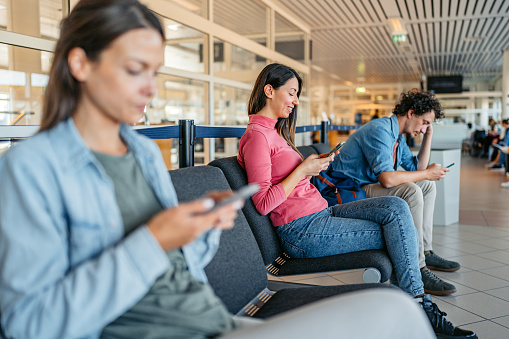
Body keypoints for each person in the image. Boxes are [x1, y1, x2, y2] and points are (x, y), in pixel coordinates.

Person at [0, 1, 438, 339]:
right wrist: (154, 241)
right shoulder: (30, 170)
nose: (151, 89)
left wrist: (200, 229)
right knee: (396, 312)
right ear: (80, 64)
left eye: (154, 71)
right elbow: (28, 324)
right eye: (136, 70)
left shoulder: (143, 152)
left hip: (214, 319)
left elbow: (181, 267)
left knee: (396, 310)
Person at [237, 63, 476, 339]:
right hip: (302, 231)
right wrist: (302, 170)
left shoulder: (273, 132)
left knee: (397, 207)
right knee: (397, 229)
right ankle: (420, 306)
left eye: (296, 94)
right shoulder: (256, 136)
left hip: (321, 214)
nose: (296, 101)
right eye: (291, 93)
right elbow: (263, 202)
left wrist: (309, 167)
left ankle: (412, 303)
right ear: (269, 90)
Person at [331, 89, 461, 296]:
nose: (425, 127)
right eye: (425, 122)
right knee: (411, 190)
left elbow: (416, 168)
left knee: (427, 185)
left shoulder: (397, 137)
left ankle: (425, 251)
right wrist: (426, 172)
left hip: (367, 186)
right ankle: (418, 267)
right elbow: (388, 179)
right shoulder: (380, 130)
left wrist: (428, 136)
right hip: (351, 190)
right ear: (411, 113)